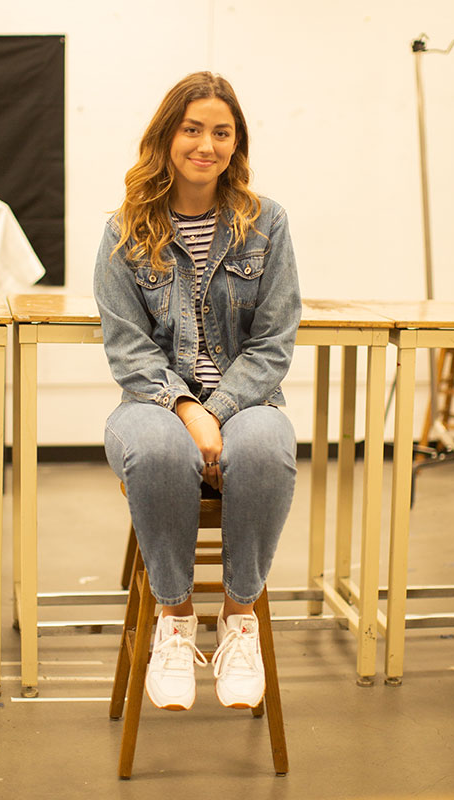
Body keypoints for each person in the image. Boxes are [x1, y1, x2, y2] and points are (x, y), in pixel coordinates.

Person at [94, 71, 301, 712]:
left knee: (268, 446)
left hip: (247, 402)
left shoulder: (266, 223)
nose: (205, 144)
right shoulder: (126, 228)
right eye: (192, 129)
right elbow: (128, 347)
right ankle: (175, 622)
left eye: (221, 131)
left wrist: (218, 410)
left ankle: (238, 621)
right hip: (151, 402)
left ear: (236, 143)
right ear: (167, 136)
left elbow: (273, 342)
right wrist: (186, 407)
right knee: (159, 453)